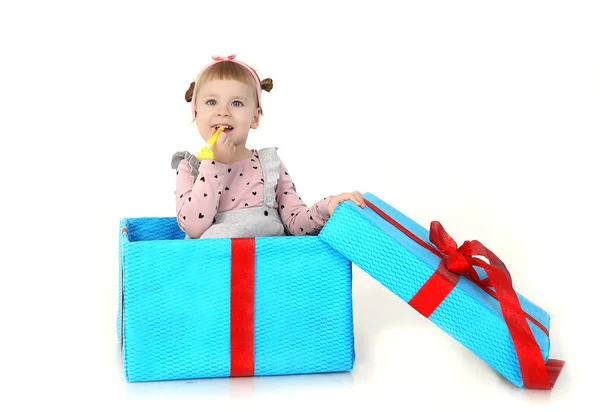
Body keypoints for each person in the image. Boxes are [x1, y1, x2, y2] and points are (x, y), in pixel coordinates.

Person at [171, 54, 365, 239]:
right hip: (217, 269)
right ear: (196, 113)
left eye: (236, 103)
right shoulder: (190, 168)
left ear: (255, 118)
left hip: (270, 267)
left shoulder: (268, 164)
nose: (223, 112)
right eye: (211, 102)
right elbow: (194, 228)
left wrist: (327, 207)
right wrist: (215, 164)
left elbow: (296, 223)